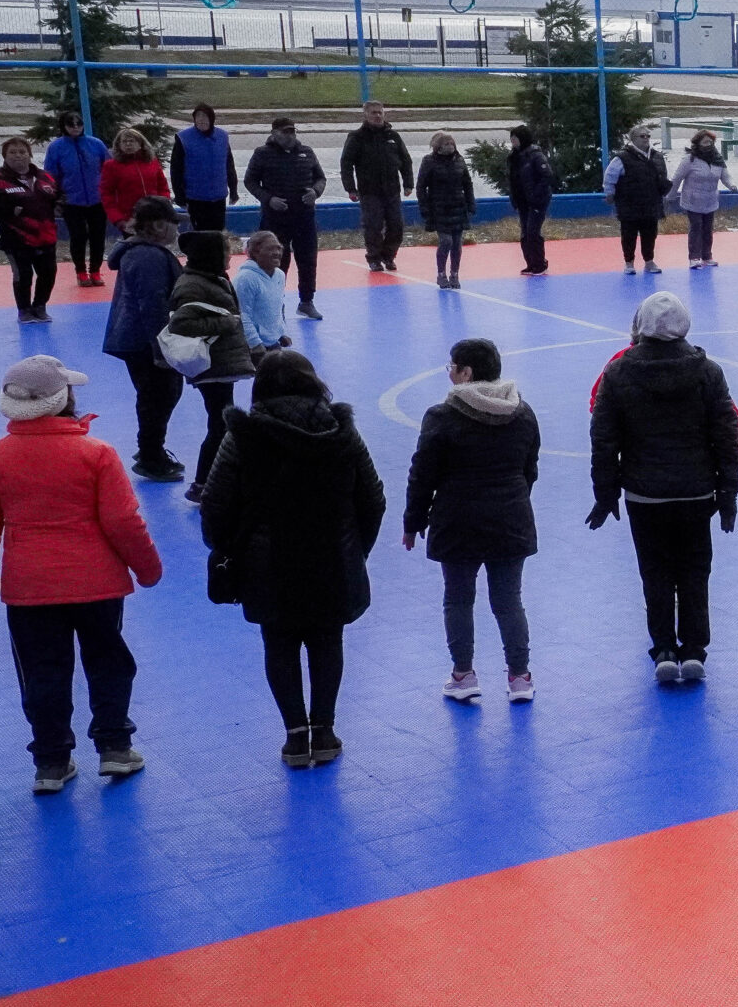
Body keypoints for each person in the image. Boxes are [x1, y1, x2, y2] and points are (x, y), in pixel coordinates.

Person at [0, 355, 162, 792]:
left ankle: (51, 762)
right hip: (97, 583)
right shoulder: (96, 454)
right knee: (109, 661)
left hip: (29, 588)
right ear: (64, 399)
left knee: (41, 672)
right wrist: (147, 568)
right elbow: (123, 521)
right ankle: (115, 747)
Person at [200, 350, 385, 767]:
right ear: (314, 383)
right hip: (332, 558)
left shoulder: (243, 435)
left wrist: (228, 549)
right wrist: (356, 549)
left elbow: (215, 503)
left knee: (279, 643)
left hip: (267, 563)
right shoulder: (342, 430)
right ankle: (325, 730)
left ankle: (295, 737)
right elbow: (372, 498)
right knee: (327, 640)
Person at [587, 292, 738, 680]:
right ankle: (694, 649)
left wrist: (605, 494)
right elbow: (727, 436)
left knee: (654, 572)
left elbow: (604, 439)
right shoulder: (708, 372)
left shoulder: (618, 373)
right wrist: (728, 493)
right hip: (696, 491)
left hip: (644, 494)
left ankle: (664, 650)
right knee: (695, 571)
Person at [400, 337, 540, 702]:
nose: (449, 373)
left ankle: (463, 676)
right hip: (511, 519)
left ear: (466, 372)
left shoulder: (442, 416)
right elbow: (529, 469)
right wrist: (512, 501)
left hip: (457, 520)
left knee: (458, 599)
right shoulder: (522, 412)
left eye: (452, 367)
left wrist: (413, 521)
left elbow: (422, 474)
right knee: (509, 600)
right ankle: (520, 677)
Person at [166, 229, 254, 502]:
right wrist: (225, 323)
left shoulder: (213, 278)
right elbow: (181, 323)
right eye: (225, 250)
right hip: (211, 366)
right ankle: (203, 483)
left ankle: (213, 481)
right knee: (219, 425)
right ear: (211, 255)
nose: (230, 255)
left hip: (220, 363)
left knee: (221, 423)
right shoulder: (192, 285)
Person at [100, 198, 184, 482]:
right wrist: (161, 350)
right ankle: (150, 455)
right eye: (174, 224)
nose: (177, 231)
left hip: (134, 337)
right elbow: (152, 305)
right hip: (145, 340)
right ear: (158, 226)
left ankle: (150, 449)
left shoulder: (138, 252)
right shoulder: (149, 257)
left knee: (157, 394)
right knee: (159, 395)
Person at [243, 116, 327, 317]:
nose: (289, 136)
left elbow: (320, 178)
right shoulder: (262, 154)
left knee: (308, 259)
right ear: (274, 133)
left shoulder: (307, 152)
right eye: (285, 132)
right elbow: (250, 181)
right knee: (277, 260)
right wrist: (268, 199)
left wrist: (315, 192)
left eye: (292, 132)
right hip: (275, 218)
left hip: (304, 216)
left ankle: (306, 301)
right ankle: (274, 303)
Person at [0, 135, 61, 323]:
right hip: (14, 237)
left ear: (29, 155)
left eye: (22, 152)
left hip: (46, 235)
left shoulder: (45, 177)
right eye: (13, 152)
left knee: (48, 272)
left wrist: (60, 207)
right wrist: (7, 210)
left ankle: (40, 306)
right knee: (23, 274)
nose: (18, 156)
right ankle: (24, 310)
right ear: (5, 156)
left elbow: (59, 197)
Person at [341, 100, 414, 274]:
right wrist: (351, 188)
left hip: (392, 190)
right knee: (373, 226)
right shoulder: (357, 137)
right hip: (369, 191)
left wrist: (408, 183)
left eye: (380, 112)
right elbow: (346, 164)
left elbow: (405, 161)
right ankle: (374, 258)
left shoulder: (393, 136)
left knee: (396, 226)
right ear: (365, 115)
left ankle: (388, 256)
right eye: (373, 112)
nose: (378, 115)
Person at [44, 111, 110, 286]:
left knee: (98, 236)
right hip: (71, 200)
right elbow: (50, 175)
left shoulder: (96, 144)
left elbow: (108, 168)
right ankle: (81, 271)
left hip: (97, 199)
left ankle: (95, 271)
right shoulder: (56, 147)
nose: (75, 127)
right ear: (63, 126)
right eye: (70, 124)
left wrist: (108, 191)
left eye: (78, 124)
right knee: (78, 236)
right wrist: (56, 197)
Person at [605, 123, 670, 275]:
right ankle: (629, 262)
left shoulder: (657, 157)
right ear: (633, 139)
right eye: (642, 136)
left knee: (650, 234)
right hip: (629, 204)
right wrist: (609, 193)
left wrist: (665, 193)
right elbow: (610, 177)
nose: (646, 139)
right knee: (629, 235)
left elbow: (663, 177)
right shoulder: (622, 158)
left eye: (648, 136)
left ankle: (649, 261)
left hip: (651, 203)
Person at [417, 131, 478, 288]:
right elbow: (421, 186)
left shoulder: (459, 160)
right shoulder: (429, 161)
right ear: (439, 147)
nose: (450, 146)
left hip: (458, 207)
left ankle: (454, 274)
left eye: (452, 144)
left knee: (457, 244)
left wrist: (471, 203)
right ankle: (441, 273)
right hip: (439, 209)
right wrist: (424, 207)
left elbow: (467, 184)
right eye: (446, 144)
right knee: (446, 241)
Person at [671, 129, 735, 269]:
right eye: (705, 142)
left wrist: (731, 185)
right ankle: (694, 257)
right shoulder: (689, 160)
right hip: (692, 200)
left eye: (711, 142)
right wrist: (671, 194)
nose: (709, 145)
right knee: (696, 227)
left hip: (710, 200)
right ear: (698, 143)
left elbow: (725, 176)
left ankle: (707, 256)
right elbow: (677, 178)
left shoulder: (718, 159)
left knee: (708, 228)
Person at [168, 103, 237, 232]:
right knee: (200, 234)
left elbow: (229, 165)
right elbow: (176, 169)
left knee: (217, 233)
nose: (201, 120)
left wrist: (233, 189)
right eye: (198, 116)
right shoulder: (184, 138)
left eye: (205, 116)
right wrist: (179, 195)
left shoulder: (222, 136)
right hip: (195, 197)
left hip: (218, 196)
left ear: (211, 118)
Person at [100, 127, 169, 235]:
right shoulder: (111, 166)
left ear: (140, 144)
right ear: (119, 145)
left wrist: (163, 205)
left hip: (155, 216)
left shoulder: (152, 161)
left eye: (132, 141)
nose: (128, 144)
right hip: (129, 220)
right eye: (124, 141)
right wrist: (119, 220)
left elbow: (162, 186)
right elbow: (107, 195)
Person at [506, 124, 554, 276]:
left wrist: (536, 194)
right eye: (512, 139)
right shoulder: (514, 157)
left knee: (533, 231)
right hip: (522, 201)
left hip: (537, 200)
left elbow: (547, 175)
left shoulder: (536, 155)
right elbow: (513, 180)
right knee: (525, 233)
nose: (513, 142)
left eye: (515, 139)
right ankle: (531, 264)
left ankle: (540, 264)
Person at [236, 230, 290, 355]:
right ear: (256, 252)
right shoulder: (245, 278)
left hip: (273, 343)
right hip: (252, 347)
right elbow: (242, 314)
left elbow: (277, 308)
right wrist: (254, 342)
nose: (277, 253)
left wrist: (281, 333)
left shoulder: (280, 275)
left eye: (279, 248)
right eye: (271, 249)